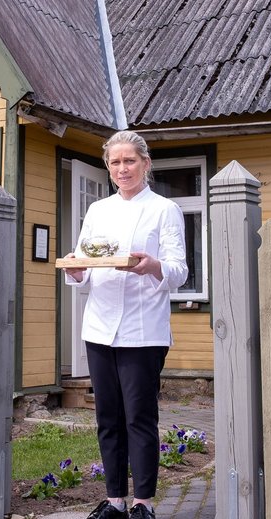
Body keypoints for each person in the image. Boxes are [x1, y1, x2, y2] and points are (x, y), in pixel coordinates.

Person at [62, 130, 188, 519]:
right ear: (108, 167)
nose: (122, 168)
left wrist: (152, 266)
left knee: (139, 417)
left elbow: (179, 271)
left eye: (129, 160)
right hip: (99, 328)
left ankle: (143, 503)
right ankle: (115, 500)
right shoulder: (98, 211)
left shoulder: (165, 210)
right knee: (108, 418)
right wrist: (77, 269)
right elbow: (84, 266)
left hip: (142, 329)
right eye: (115, 162)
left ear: (145, 164)